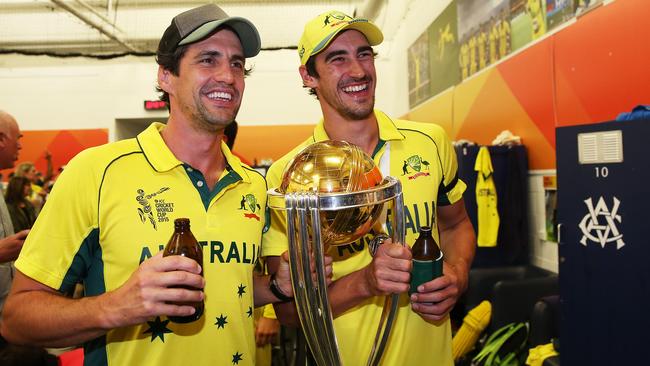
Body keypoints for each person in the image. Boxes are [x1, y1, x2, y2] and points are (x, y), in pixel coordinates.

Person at [1, 5, 306, 366]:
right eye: (208, 60)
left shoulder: (252, 184)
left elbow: (228, 288)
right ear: (166, 76)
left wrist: (275, 288)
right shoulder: (96, 172)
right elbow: (16, 318)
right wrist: (117, 307)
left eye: (237, 63)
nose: (228, 75)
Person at [263, 10, 476, 365]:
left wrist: (457, 273)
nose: (359, 70)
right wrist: (365, 282)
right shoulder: (289, 175)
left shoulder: (429, 142)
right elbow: (288, 312)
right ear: (308, 76)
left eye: (364, 54)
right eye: (337, 59)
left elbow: (456, 225)